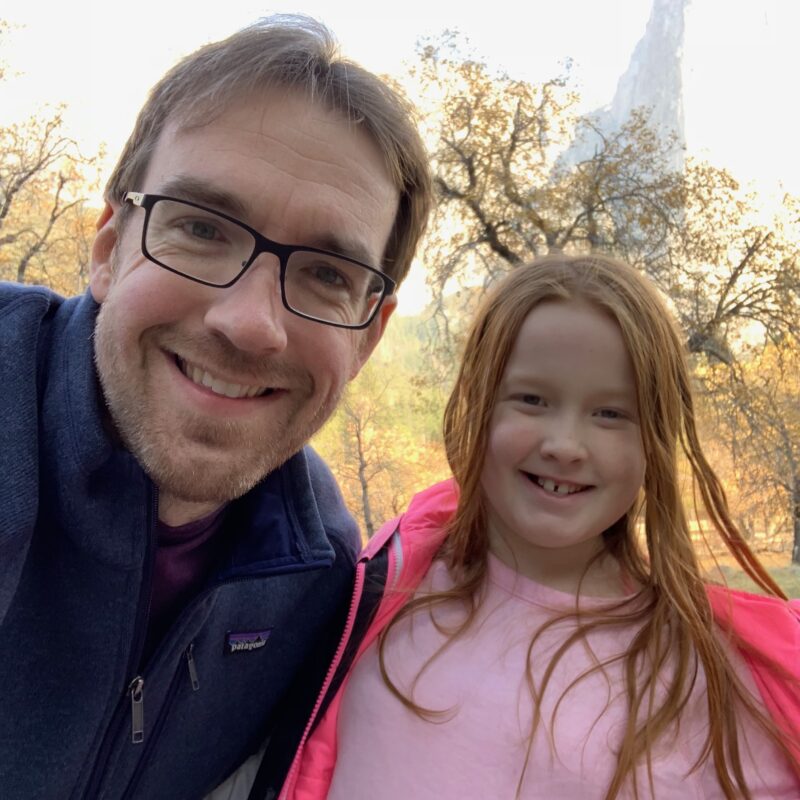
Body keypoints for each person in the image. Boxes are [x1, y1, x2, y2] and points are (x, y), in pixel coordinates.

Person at [0, 14, 432, 800]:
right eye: (200, 228)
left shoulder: (320, 575)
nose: (250, 322)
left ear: (368, 338)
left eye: (328, 274)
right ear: (108, 248)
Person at [265, 255, 800, 800]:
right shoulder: (385, 580)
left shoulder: (717, 679)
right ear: (479, 404)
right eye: (532, 400)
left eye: (611, 413)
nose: (565, 445)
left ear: (654, 438)